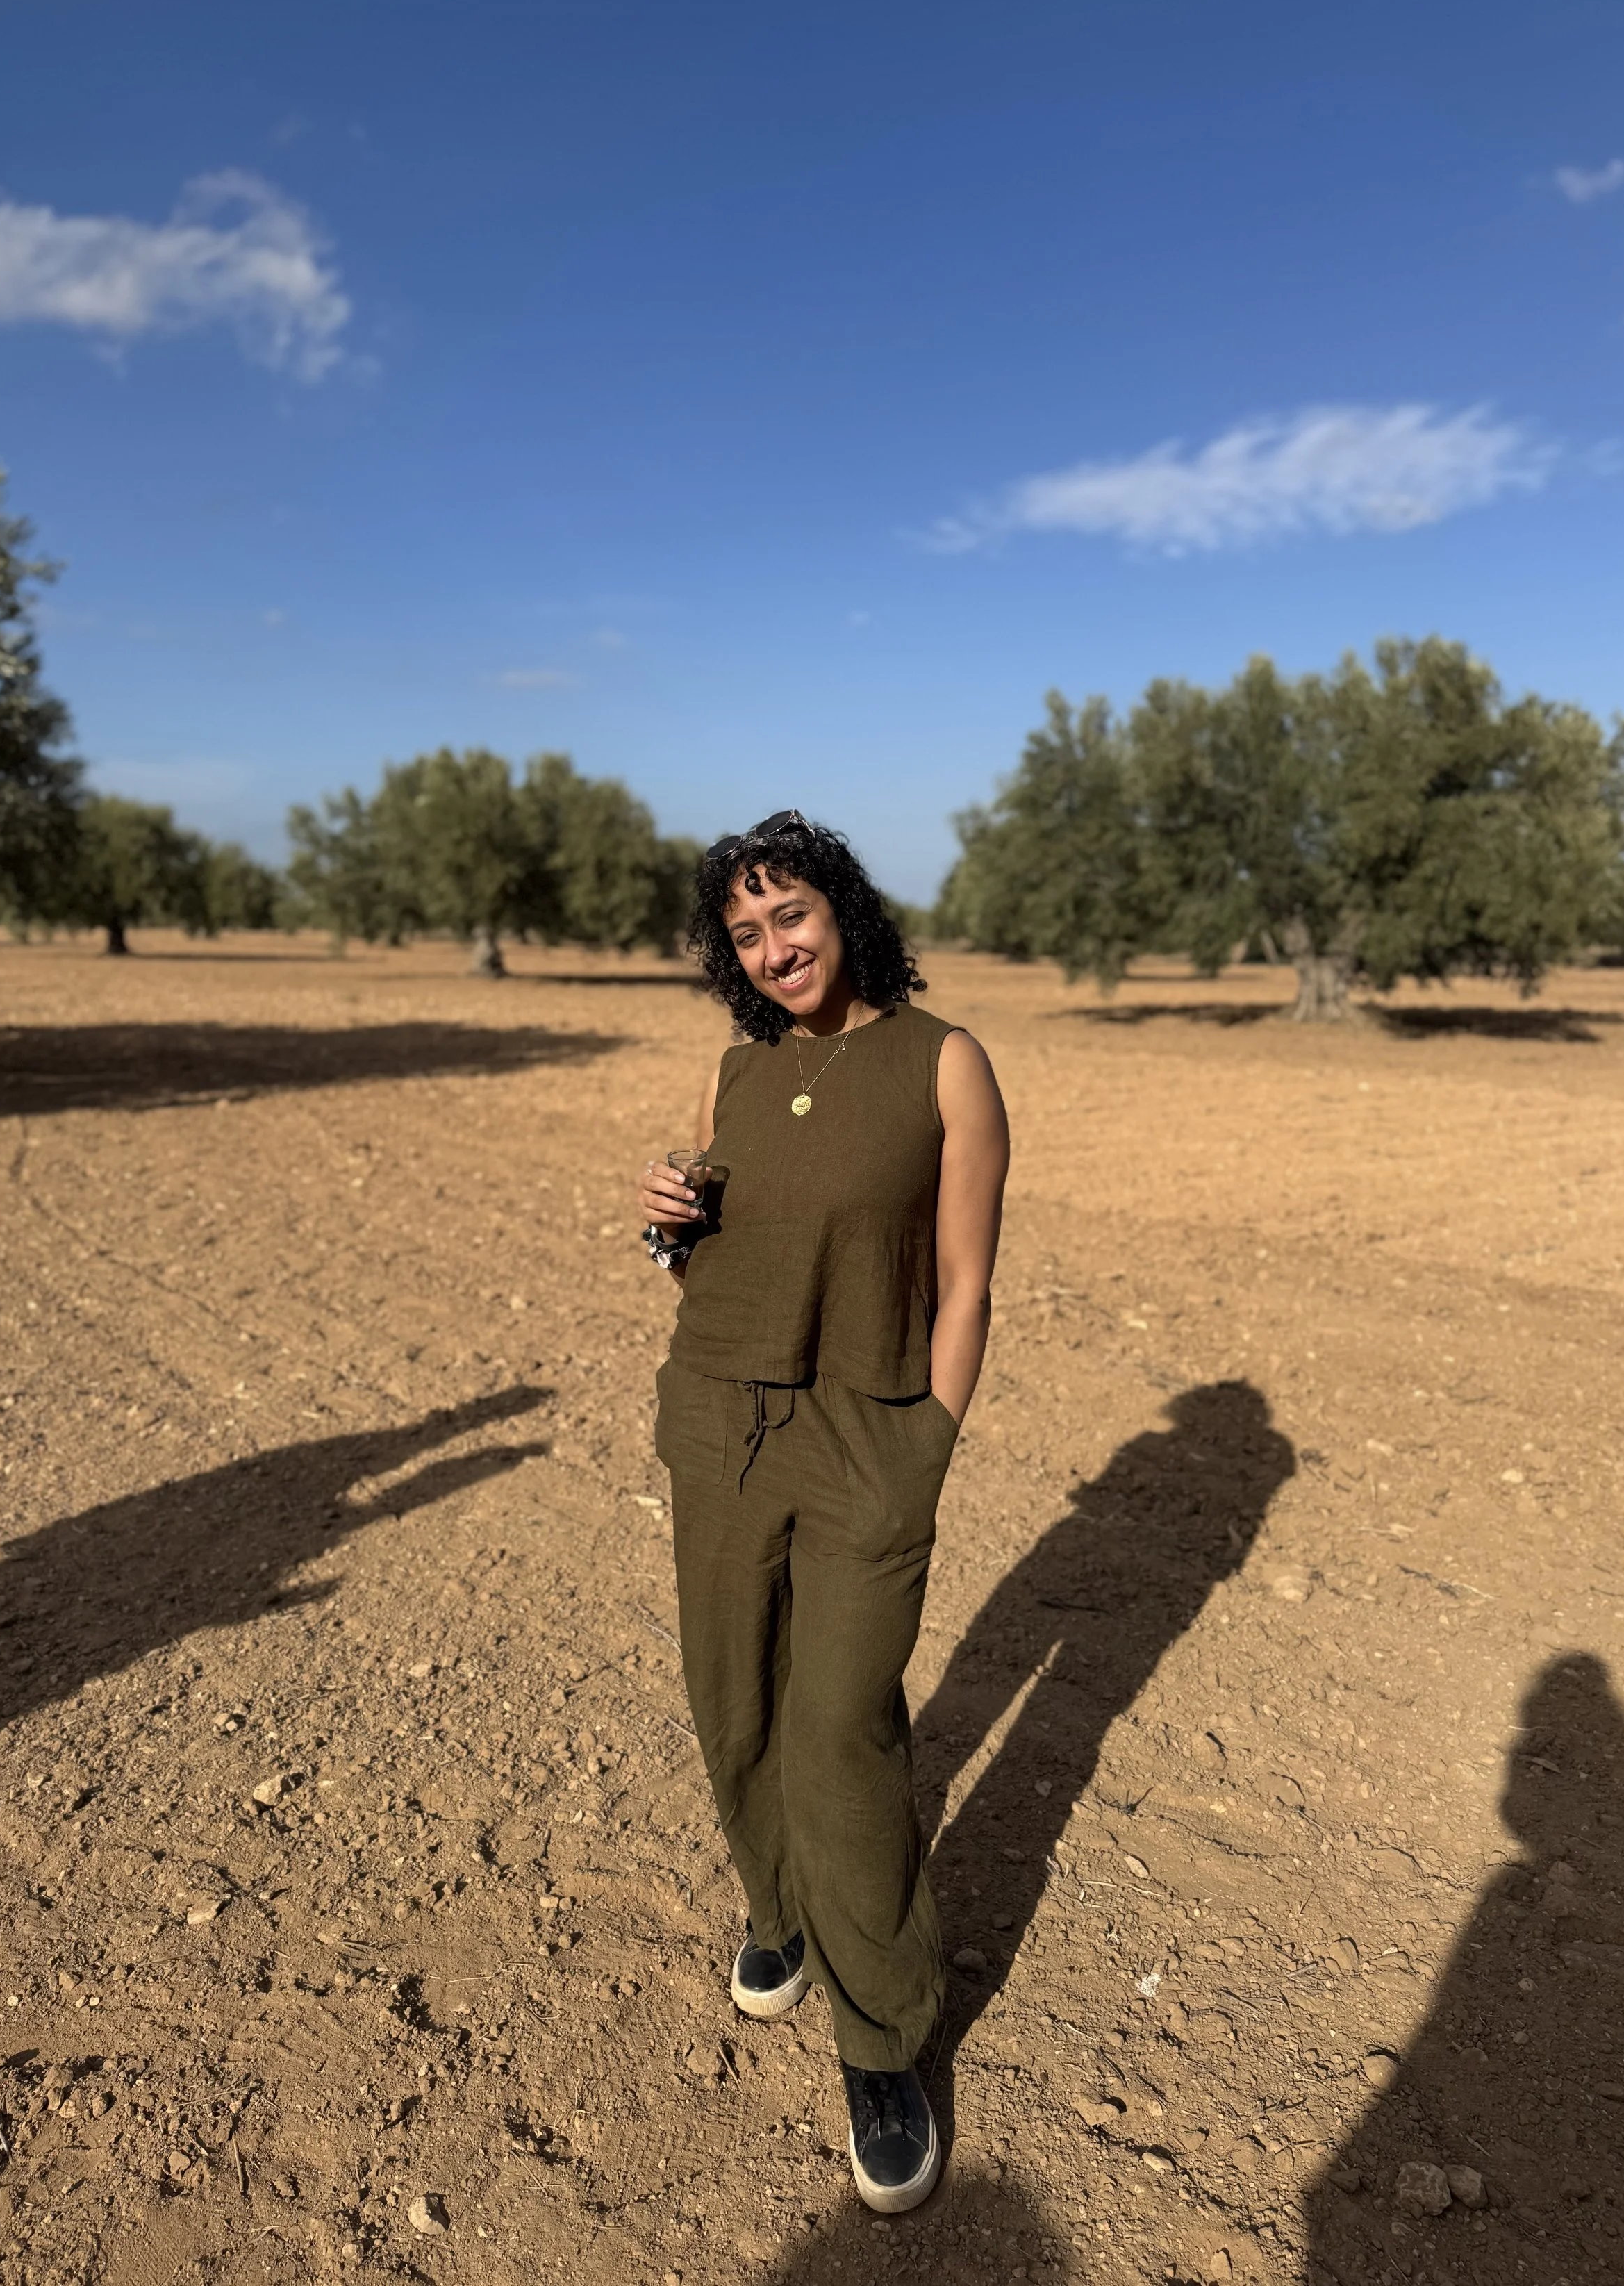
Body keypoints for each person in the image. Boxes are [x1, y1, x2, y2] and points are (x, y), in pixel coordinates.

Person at [636, 809, 1010, 2215]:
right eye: (743, 931)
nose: (772, 945)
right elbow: (720, 1267)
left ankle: (878, 2035)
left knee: (839, 1724)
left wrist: (929, 1442)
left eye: (788, 913)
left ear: (841, 909)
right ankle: (779, 1913)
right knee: (732, 1701)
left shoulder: (941, 1061)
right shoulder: (736, 1068)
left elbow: (964, 1278)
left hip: (868, 1435)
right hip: (720, 1417)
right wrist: (665, 1222)